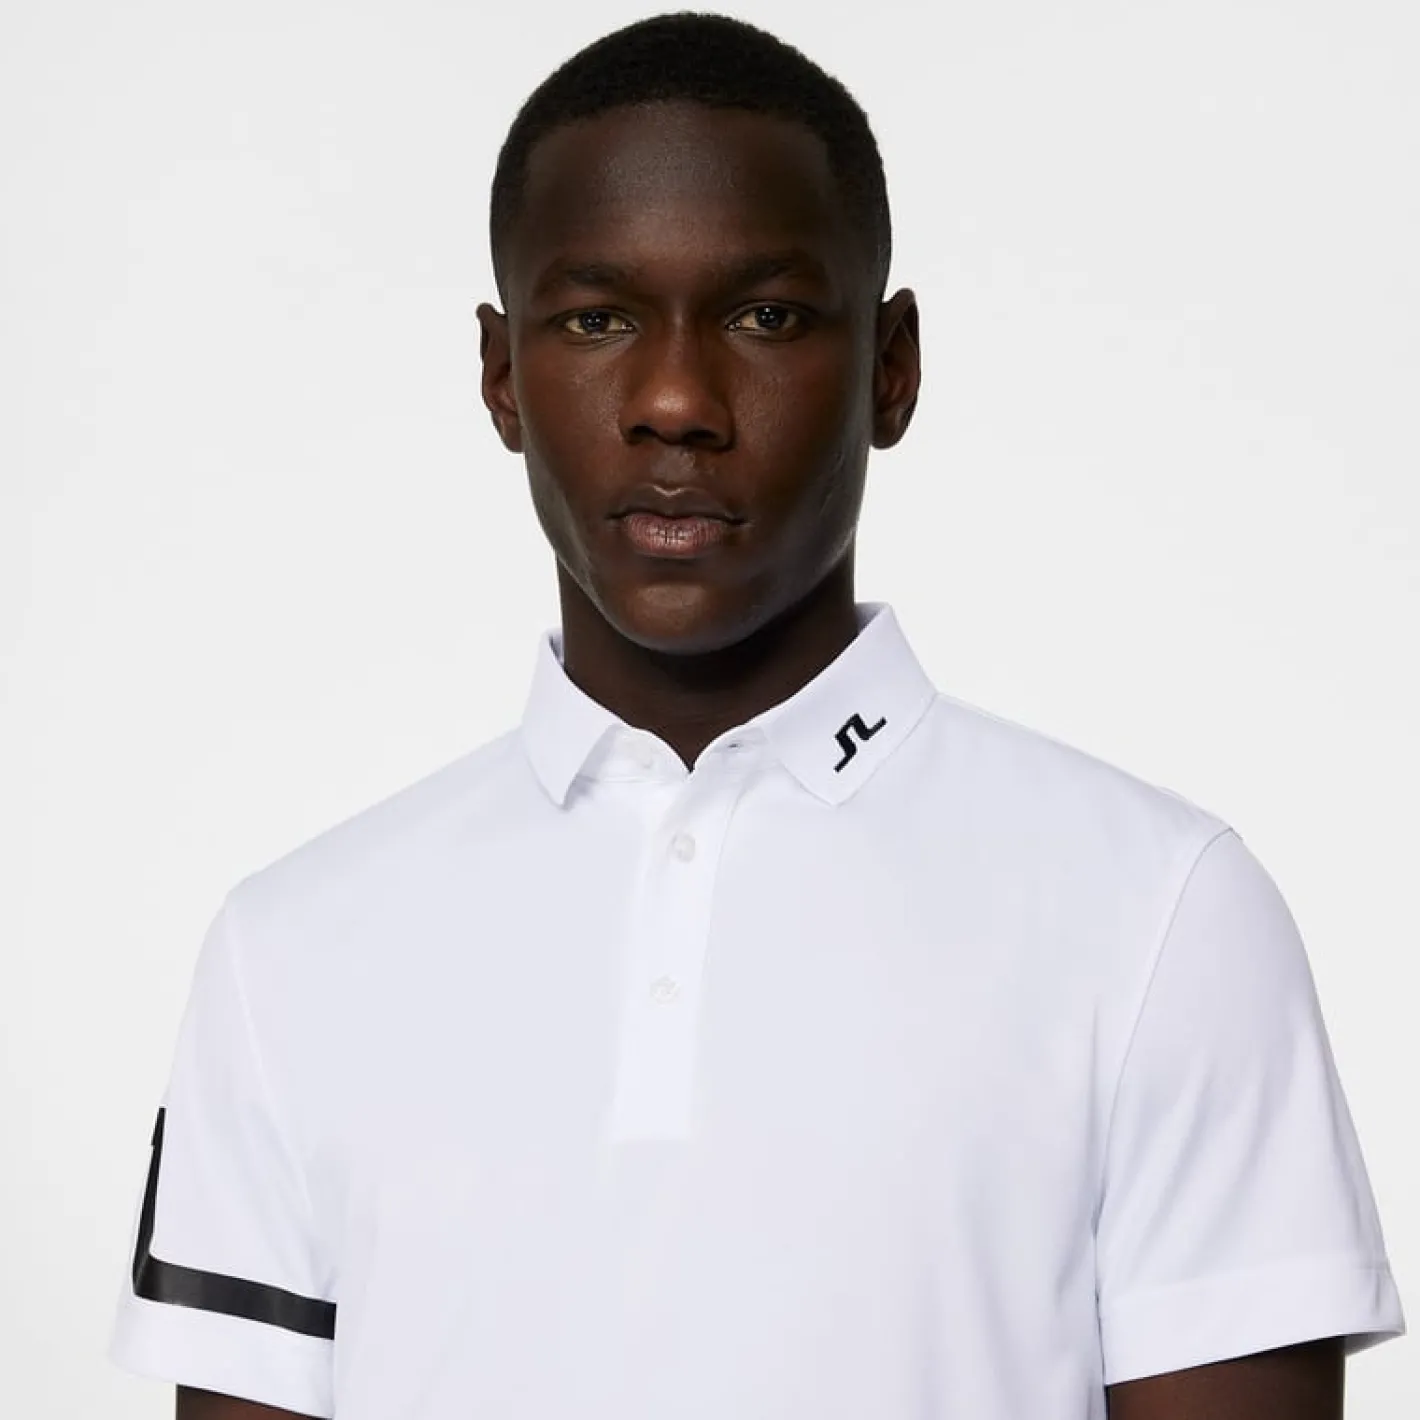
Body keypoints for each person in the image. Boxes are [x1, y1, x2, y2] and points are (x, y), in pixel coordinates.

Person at [108, 13, 1405, 1419]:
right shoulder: (288, 954)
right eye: (596, 319)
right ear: (500, 377)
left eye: (766, 316)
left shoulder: (1161, 914)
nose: (675, 401)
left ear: (892, 368)